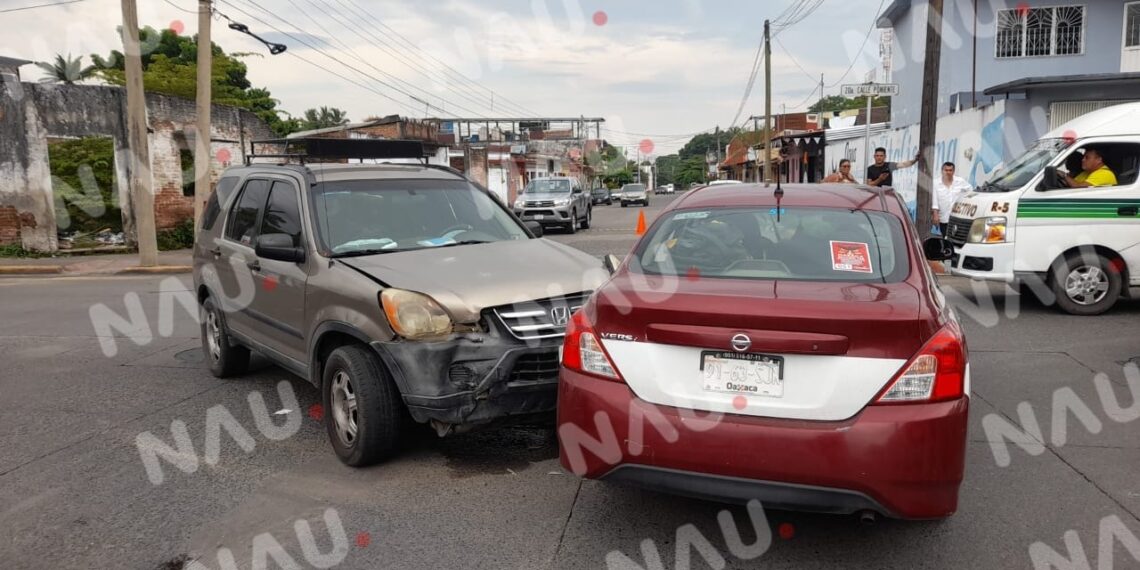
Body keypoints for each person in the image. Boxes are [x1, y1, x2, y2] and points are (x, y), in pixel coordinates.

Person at [932, 162, 972, 236]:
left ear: (953, 171)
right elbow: (935, 201)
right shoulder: (936, 183)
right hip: (944, 217)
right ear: (942, 171)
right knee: (945, 237)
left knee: (957, 237)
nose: (948, 172)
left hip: (957, 217)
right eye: (946, 170)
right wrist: (935, 215)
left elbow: (970, 190)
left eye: (950, 170)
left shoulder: (960, 181)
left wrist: (964, 203)